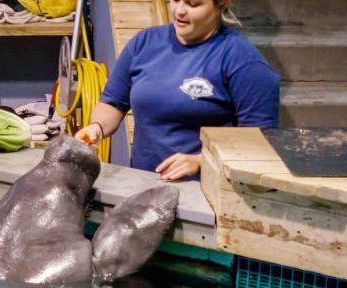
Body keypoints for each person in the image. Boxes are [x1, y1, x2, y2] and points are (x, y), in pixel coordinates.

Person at [75, 0, 279, 181]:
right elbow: (112, 102)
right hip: (143, 185)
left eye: (193, 4)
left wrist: (201, 162)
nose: (179, 10)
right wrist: (97, 128)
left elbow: (258, 143)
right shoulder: (144, 43)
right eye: (174, 0)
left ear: (221, 5)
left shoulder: (243, 59)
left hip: (205, 196)